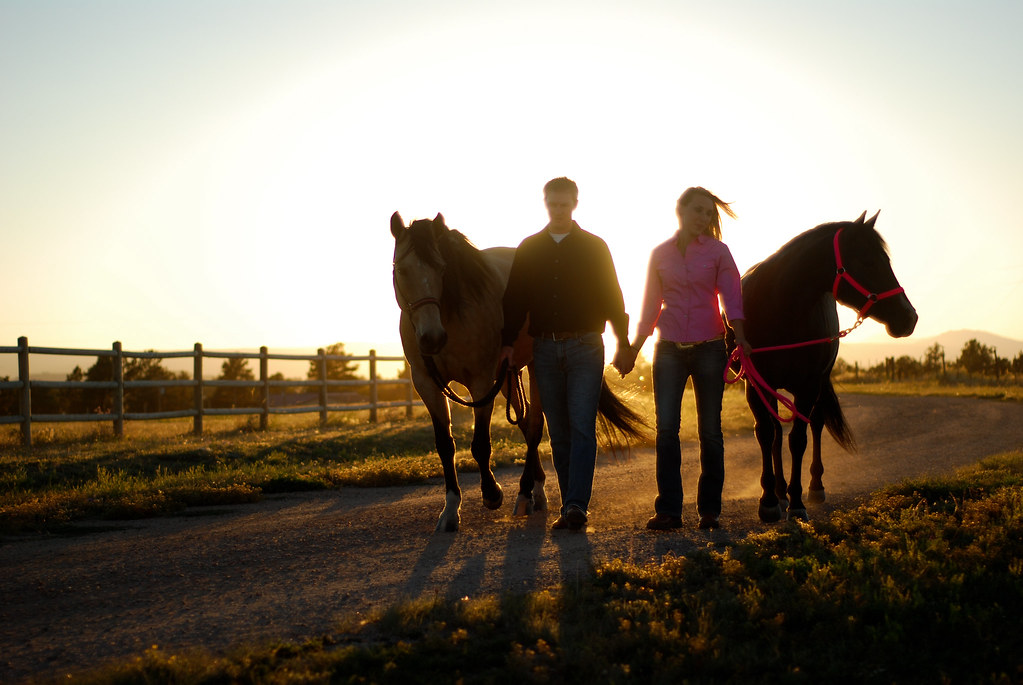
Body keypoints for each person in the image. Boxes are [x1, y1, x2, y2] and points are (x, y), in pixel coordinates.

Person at [500, 177, 632, 531]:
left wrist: (623, 342)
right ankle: (570, 500)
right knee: (558, 431)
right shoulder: (529, 249)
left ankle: (575, 506)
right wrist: (508, 343)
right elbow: (514, 300)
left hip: (586, 346)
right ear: (545, 203)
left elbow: (612, 296)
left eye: (564, 204)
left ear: (575, 203)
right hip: (543, 348)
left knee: (581, 426)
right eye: (552, 204)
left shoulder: (594, 247)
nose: (558, 210)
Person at [618, 187, 751, 531]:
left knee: (710, 432)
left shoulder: (719, 252)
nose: (703, 218)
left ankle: (710, 511)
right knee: (666, 432)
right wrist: (634, 348)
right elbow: (649, 306)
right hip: (669, 350)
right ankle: (669, 511)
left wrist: (740, 336)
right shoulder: (660, 254)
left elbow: (732, 297)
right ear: (680, 210)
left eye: (708, 213)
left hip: (710, 348)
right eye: (697, 211)